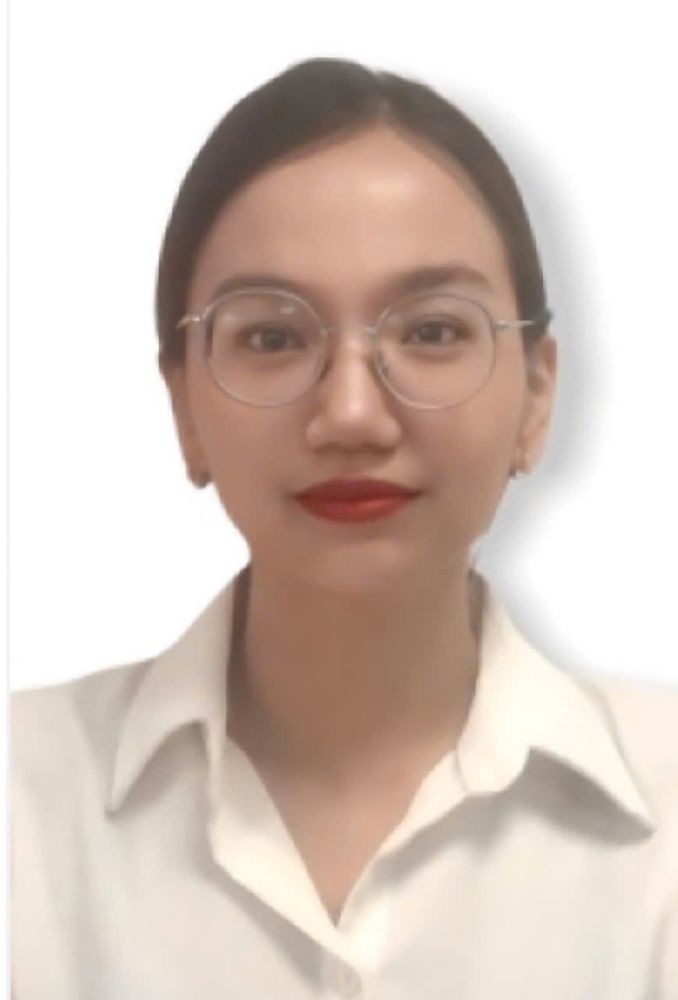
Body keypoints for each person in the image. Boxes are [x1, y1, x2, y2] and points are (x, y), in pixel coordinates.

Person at [11, 57, 678, 999]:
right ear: (186, 407)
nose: (353, 414)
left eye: (432, 331)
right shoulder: (24, 804)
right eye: (274, 337)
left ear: (536, 395)